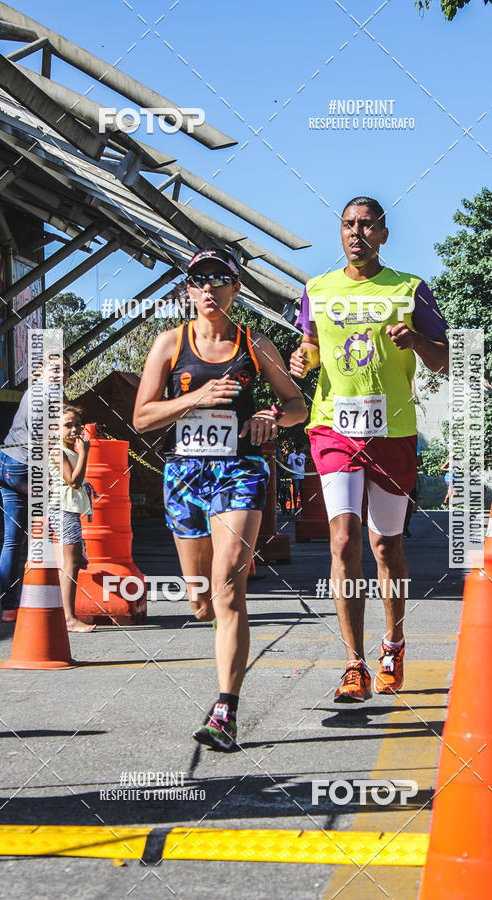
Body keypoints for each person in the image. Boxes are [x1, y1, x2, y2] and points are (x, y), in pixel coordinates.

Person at [133, 248, 307, 750]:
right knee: (200, 599)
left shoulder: (257, 345)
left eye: (219, 279)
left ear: (235, 289)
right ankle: (203, 605)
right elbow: (142, 418)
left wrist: (274, 417)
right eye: (198, 280)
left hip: (241, 470)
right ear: (188, 291)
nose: (208, 288)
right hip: (184, 475)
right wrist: (195, 399)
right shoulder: (169, 344)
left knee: (229, 587)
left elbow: (298, 405)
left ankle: (225, 710)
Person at [290, 195, 449, 701]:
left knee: (387, 546)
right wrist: (302, 359)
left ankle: (394, 642)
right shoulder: (317, 289)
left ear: (383, 235)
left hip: (393, 429)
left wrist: (417, 343)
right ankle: (354, 663)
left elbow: (444, 359)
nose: (355, 233)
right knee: (343, 542)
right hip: (333, 426)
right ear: (340, 234)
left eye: (366, 226)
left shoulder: (410, 289)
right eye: (347, 225)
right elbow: (312, 345)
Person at [0, 353, 70, 622]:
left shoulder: (32, 391)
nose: (62, 374)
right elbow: (46, 440)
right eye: (57, 369)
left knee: (13, 540)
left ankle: (9, 608)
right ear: (41, 370)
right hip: (23, 469)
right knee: (54, 528)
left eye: (66, 369)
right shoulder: (53, 395)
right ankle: (50, 601)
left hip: (4, 463)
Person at [48, 405, 96, 633]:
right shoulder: (58, 451)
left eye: (77, 424)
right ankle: (68, 617)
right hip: (62, 509)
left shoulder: (68, 449)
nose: (75, 429)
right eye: (68, 425)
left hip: (69, 510)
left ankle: (66, 612)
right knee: (71, 563)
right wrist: (85, 452)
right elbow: (73, 481)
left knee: (74, 560)